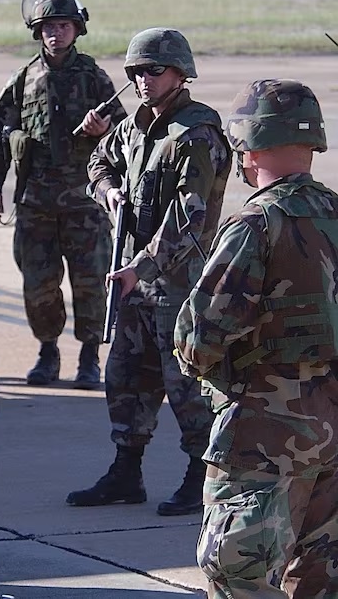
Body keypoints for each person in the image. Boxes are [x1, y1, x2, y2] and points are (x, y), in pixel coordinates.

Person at [175, 79, 338, 598]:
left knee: (237, 575)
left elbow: (199, 339)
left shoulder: (255, 224)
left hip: (262, 440)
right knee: (321, 579)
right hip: (332, 432)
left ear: (249, 144)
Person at [68, 27, 229, 516]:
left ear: (181, 74)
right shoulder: (136, 125)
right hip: (137, 283)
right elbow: (100, 160)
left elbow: (190, 215)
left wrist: (141, 265)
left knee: (186, 385)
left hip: (179, 283)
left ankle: (200, 475)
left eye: (153, 71)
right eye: (136, 71)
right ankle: (126, 470)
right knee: (126, 377)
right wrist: (109, 191)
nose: (142, 80)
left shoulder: (196, 133)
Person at [0, 0, 127, 389]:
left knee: (91, 281)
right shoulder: (23, 79)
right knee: (38, 284)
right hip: (36, 202)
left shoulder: (95, 77)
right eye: (48, 26)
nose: (55, 32)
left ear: (77, 29)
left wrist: (104, 131)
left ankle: (88, 359)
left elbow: (125, 137)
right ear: (36, 31)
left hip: (84, 202)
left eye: (63, 25)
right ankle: (47, 352)